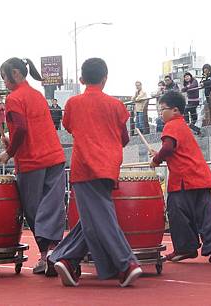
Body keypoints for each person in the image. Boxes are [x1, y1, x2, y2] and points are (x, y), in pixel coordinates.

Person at [50, 58, 142, 288]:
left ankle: (125, 263)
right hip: (109, 165)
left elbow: (70, 127)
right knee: (96, 216)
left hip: (83, 167)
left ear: (81, 79)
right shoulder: (117, 105)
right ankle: (67, 259)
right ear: (105, 78)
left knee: (97, 216)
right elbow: (124, 137)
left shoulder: (73, 103)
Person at [0, 57, 66, 276]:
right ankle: (55, 253)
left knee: (35, 210)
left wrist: (9, 152)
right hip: (54, 156)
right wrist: (11, 143)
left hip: (31, 161)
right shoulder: (37, 96)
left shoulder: (14, 98)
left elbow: (22, 129)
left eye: (5, 78)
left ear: (16, 74)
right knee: (53, 207)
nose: (5, 83)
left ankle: (47, 255)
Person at [150, 90, 211, 262]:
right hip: (199, 175)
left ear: (175, 110)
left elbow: (168, 148)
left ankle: (186, 247)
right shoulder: (182, 126)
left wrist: (156, 159)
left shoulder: (171, 126)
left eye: (163, 109)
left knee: (177, 212)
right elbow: (174, 150)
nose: (160, 113)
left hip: (184, 179)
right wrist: (159, 154)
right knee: (206, 213)